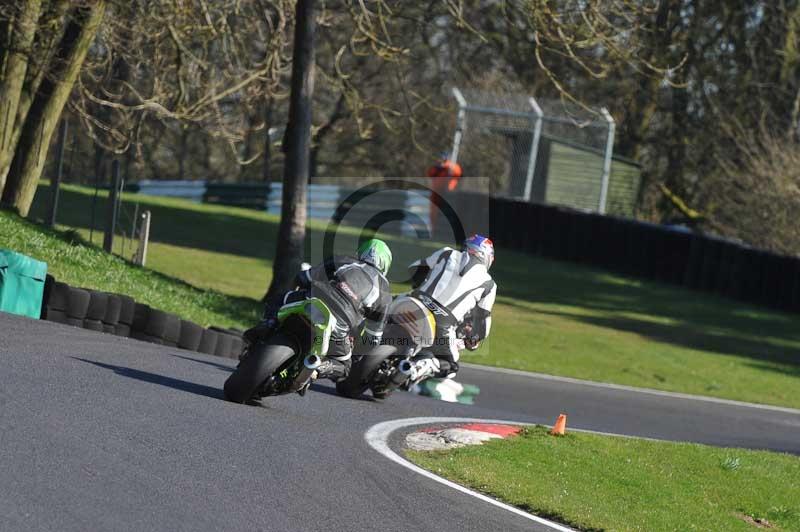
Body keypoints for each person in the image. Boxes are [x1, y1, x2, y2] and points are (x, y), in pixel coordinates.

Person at [244, 239, 393, 382]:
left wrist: (299, 290)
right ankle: (317, 368)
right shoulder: (385, 292)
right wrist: (356, 354)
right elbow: (373, 337)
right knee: (345, 366)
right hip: (338, 328)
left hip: (310, 303)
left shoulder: (342, 259)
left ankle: (268, 324)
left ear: (361, 252)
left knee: (280, 299)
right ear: (386, 265)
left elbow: (303, 277)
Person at [406, 234, 496, 381]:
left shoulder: (446, 252)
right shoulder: (489, 284)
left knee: (382, 310)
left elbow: (414, 269)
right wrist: (474, 337)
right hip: (442, 323)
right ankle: (423, 366)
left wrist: (421, 287)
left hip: (414, 301)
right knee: (451, 366)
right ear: (487, 257)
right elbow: (483, 324)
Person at [426, 153, 462, 234]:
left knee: (446, 213)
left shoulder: (452, 167)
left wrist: (447, 166)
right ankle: (434, 230)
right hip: (436, 193)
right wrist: (439, 167)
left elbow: (458, 172)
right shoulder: (436, 168)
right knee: (434, 213)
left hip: (448, 194)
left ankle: (447, 232)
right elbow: (430, 173)